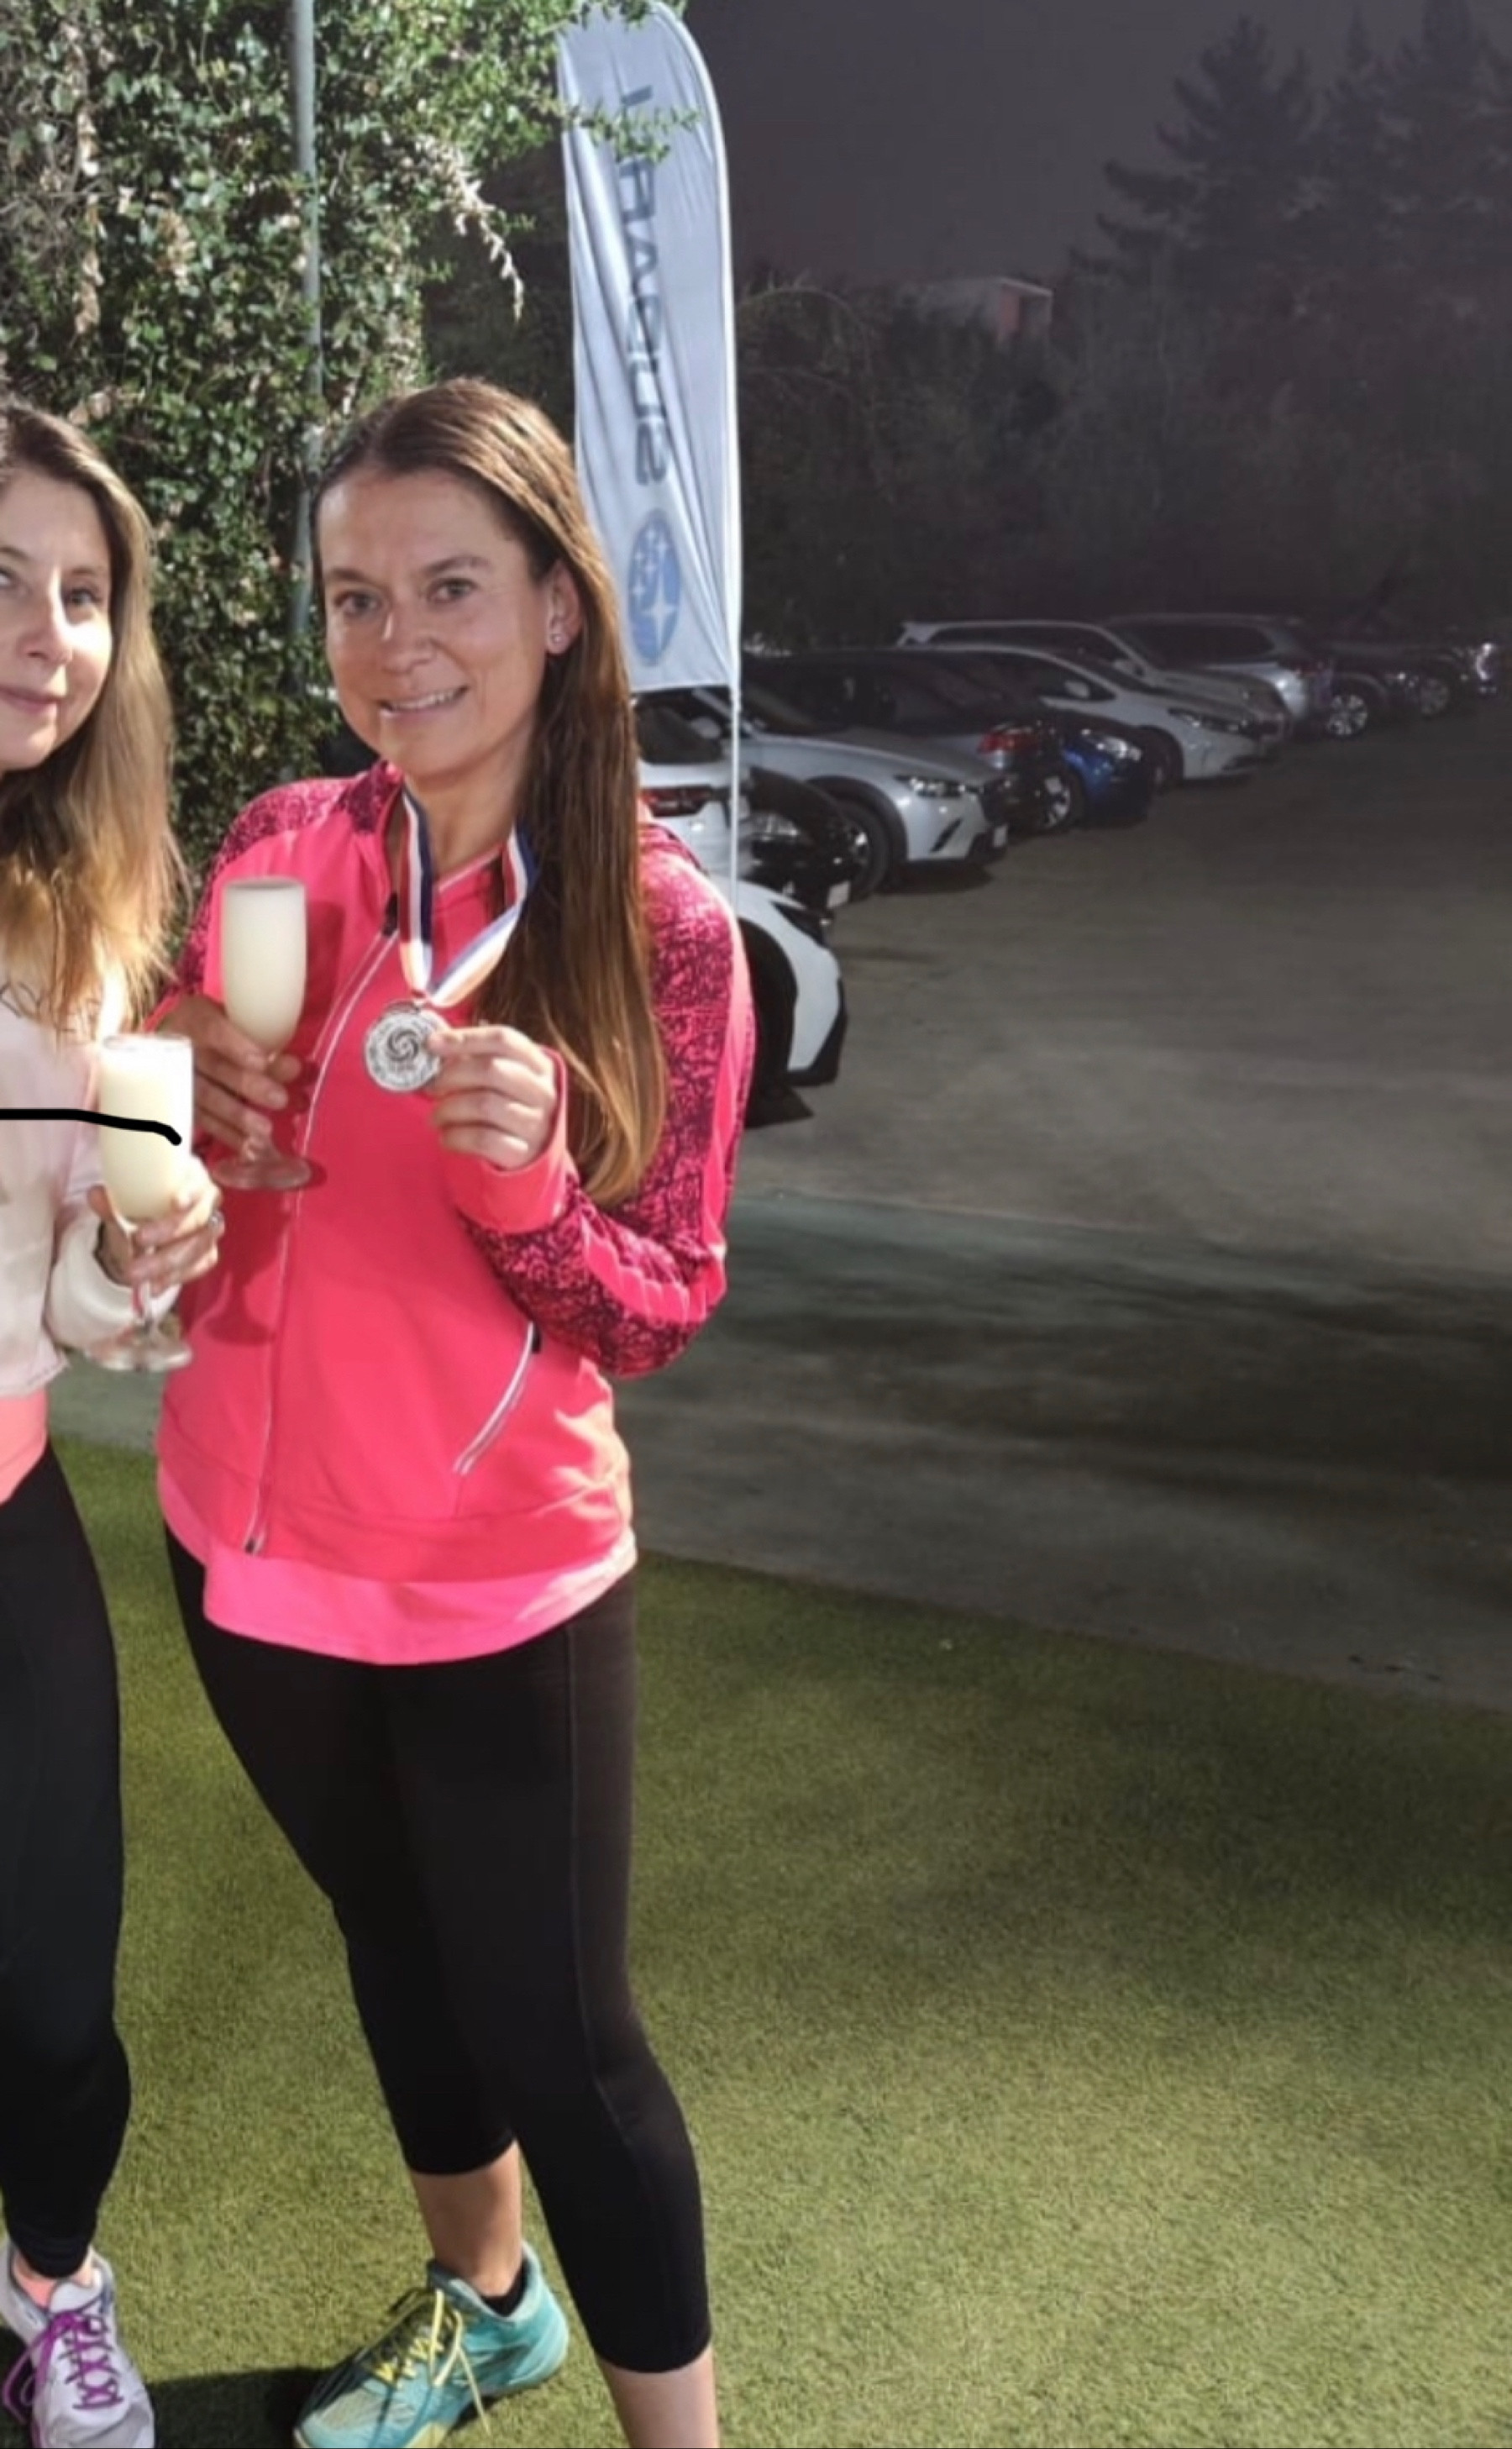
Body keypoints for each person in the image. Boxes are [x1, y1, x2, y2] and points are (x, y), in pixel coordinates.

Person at [154, 377, 753, 2449]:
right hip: (243, 1551)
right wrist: (179, 1087)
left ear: (560, 605)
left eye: (450, 588)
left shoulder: (659, 927)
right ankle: (488, 2309)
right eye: (354, 598)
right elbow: (205, 1158)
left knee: (566, 2049)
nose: (394, 645)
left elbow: (664, 1301)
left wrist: (530, 1196)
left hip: (495, 1582)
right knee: (396, 1950)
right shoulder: (279, 847)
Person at [0, 399, 223, 2449]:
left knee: (58, 1997)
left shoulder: (71, 926)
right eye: (4, 582)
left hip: (3, 1513)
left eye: (83, 595)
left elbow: (61, 1289)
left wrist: (134, 1264)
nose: (49, 636)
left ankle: (50, 2286)